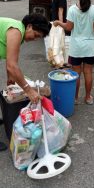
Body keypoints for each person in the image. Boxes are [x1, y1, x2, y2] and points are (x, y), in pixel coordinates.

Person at [0, 13, 51, 151]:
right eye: (35, 35)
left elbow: (10, 61)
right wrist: (29, 90)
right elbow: (12, 65)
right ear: (29, 26)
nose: (34, 39)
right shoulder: (16, 31)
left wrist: (10, 77)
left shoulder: (19, 33)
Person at [53, 0, 94, 105]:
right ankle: (88, 97)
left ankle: (75, 98)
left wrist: (58, 22)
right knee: (88, 72)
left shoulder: (72, 9)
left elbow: (68, 27)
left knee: (76, 73)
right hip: (89, 48)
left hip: (76, 48)